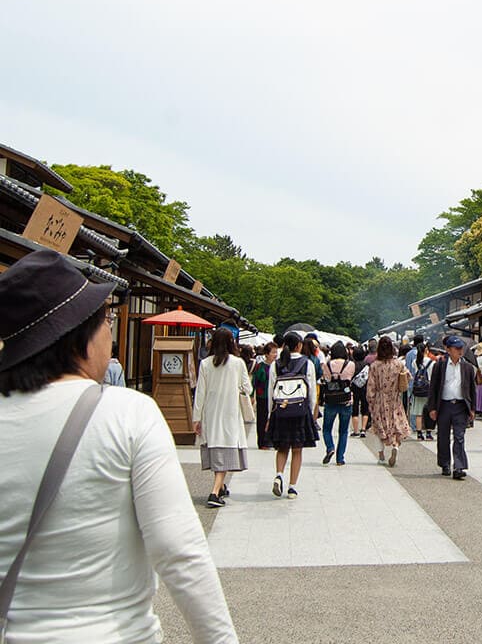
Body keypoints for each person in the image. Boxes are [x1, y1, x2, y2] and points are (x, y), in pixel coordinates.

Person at [0, 249, 237, 643]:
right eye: (106, 322)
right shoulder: (126, 413)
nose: (110, 335)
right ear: (80, 337)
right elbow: (179, 551)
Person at [193, 328, 253, 507]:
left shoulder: (205, 364)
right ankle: (214, 493)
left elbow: (200, 392)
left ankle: (220, 487)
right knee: (225, 451)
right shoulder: (237, 363)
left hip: (210, 413)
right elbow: (247, 388)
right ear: (231, 343)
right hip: (230, 413)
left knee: (216, 449)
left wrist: (197, 417)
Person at [267, 331, 319, 498]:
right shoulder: (307, 363)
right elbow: (311, 392)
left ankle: (279, 474)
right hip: (300, 410)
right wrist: (311, 412)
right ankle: (292, 487)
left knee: (282, 447)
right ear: (299, 345)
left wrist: (270, 413)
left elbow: (271, 391)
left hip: (280, 410)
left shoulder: (276, 364)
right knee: (297, 449)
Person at [426, 336, 477, 479]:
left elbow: (472, 389)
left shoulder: (467, 367)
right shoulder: (440, 366)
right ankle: (445, 463)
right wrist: (432, 408)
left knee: (459, 437)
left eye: (461, 348)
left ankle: (459, 466)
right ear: (448, 349)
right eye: (456, 348)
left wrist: (472, 408)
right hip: (444, 405)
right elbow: (433, 388)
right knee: (443, 436)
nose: (460, 351)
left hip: (460, 405)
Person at [366, 336, 410, 467]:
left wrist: (370, 401)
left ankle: (381, 456)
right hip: (395, 399)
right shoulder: (398, 364)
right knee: (395, 424)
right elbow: (408, 376)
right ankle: (395, 446)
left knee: (379, 427)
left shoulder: (374, 366)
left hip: (380, 400)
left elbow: (371, 387)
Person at [320, 341, 355, 465]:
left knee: (326, 429)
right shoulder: (350, 364)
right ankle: (340, 459)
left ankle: (330, 447)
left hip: (330, 399)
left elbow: (325, 379)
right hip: (346, 400)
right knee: (343, 431)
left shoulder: (326, 365)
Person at [409, 341, 433, 441]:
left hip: (418, 389)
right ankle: (428, 433)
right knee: (429, 411)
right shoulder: (431, 362)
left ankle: (419, 434)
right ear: (426, 350)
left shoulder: (415, 362)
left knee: (419, 412)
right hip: (428, 388)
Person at [349, 345, 371, 438]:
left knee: (355, 409)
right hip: (365, 389)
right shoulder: (367, 366)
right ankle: (363, 429)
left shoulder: (351, 365)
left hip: (354, 389)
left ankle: (355, 430)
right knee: (365, 409)